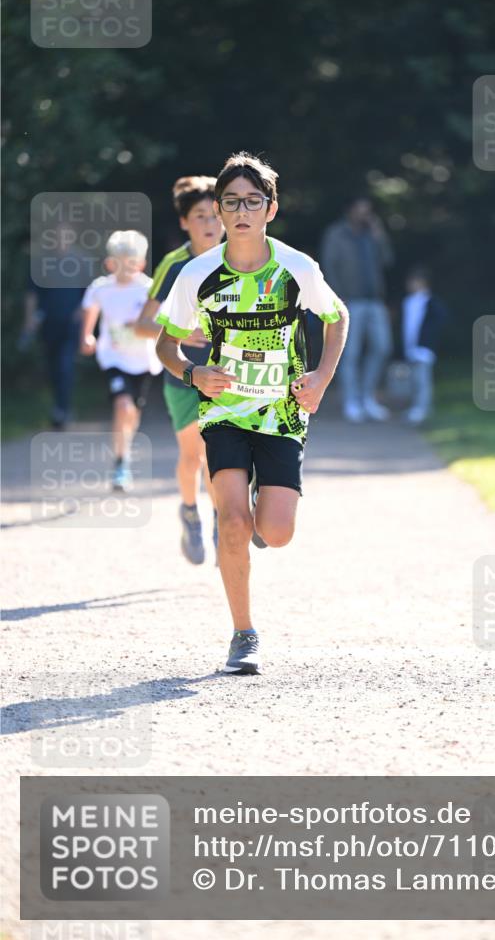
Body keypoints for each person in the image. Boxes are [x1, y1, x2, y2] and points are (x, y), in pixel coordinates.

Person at [155, 152, 349, 676]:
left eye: (253, 201)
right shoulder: (197, 273)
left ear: (271, 208)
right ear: (218, 210)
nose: (242, 211)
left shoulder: (297, 268)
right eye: (232, 202)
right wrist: (192, 374)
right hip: (223, 412)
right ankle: (244, 634)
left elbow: (338, 317)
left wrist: (323, 377)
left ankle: (266, 501)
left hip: (283, 413)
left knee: (277, 532)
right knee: (234, 523)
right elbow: (166, 347)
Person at [134, 176, 223, 565]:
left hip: (230, 375)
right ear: (185, 222)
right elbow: (141, 324)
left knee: (227, 453)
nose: (210, 224)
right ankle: (191, 512)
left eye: (215, 215)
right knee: (196, 455)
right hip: (184, 374)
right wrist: (184, 332)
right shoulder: (174, 264)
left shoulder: (242, 256)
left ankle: (224, 516)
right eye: (200, 216)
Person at [79, 230, 162, 491]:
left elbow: (161, 322)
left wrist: (141, 326)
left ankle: (124, 449)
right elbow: (90, 310)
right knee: (123, 406)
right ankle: (120, 463)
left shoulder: (150, 288)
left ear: (141, 263)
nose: (124, 268)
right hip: (113, 356)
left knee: (133, 412)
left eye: (131, 262)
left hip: (143, 360)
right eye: (118, 262)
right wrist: (87, 336)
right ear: (109, 262)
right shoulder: (101, 288)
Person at [320, 197, 394, 423]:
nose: (364, 215)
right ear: (350, 211)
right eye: (361, 210)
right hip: (349, 301)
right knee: (349, 353)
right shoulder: (336, 234)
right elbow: (328, 265)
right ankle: (351, 402)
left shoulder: (371, 234)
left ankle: (367, 397)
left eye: (367, 211)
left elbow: (388, 260)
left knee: (382, 348)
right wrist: (336, 299)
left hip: (374, 300)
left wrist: (379, 236)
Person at [21, 224, 86, 429]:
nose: (61, 239)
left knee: (65, 366)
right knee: (52, 368)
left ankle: (62, 410)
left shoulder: (81, 261)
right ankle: (60, 406)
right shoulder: (42, 262)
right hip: (48, 324)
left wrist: (82, 315)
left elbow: (90, 293)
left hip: (71, 325)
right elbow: (32, 294)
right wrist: (29, 320)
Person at [401, 266, 447, 424]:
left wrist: (428, 339)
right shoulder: (408, 302)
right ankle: (417, 406)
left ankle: (423, 408)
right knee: (414, 379)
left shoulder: (432, 302)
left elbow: (437, 323)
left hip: (424, 348)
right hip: (411, 347)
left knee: (422, 379)